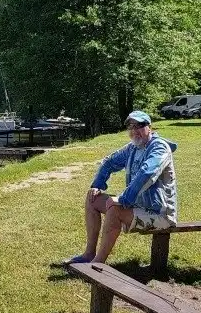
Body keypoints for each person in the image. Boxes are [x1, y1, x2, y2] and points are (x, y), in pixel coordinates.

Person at [68, 111, 178, 264]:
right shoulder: (132, 148)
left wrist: (123, 199)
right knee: (92, 198)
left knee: (115, 209)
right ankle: (88, 254)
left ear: (150, 127)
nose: (134, 130)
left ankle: (97, 263)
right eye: (130, 126)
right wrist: (98, 185)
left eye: (139, 125)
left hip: (160, 214)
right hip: (137, 206)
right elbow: (109, 162)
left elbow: (147, 173)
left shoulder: (159, 148)